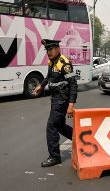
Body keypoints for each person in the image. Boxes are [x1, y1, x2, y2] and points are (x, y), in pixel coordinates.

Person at [33, 39, 78, 167]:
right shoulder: (51, 62)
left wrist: (71, 104)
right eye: (47, 50)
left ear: (58, 49)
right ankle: (78, 138)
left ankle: (54, 156)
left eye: (51, 49)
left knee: (51, 126)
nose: (48, 52)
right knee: (59, 125)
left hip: (62, 100)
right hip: (55, 98)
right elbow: (48, 77)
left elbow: (73, 84)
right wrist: (41, 86)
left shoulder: (64, 64)